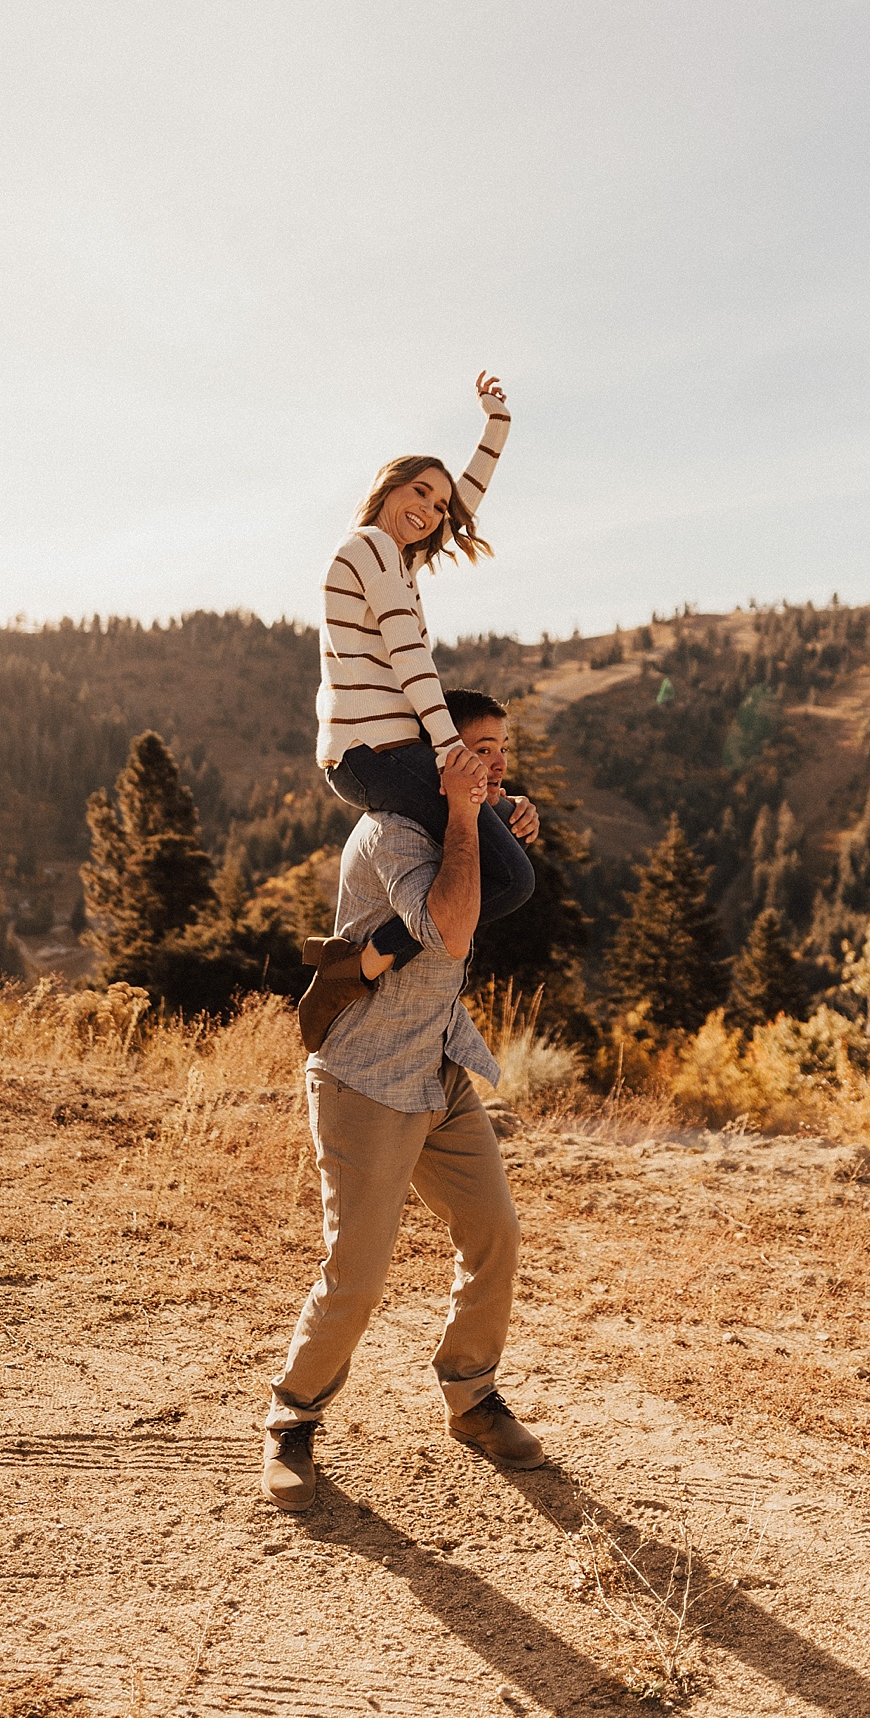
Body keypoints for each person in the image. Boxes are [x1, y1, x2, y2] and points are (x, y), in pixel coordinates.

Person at [264, 733, 546, 1512]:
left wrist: (502, 815)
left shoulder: (468, 818)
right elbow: (450, 928)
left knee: (494, 1232)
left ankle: (472, 1398)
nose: (495, 766)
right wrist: (470, 814)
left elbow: (500, 886)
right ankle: (292, 1419)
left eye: (503, 753)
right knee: (357, 1268)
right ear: (439, 761)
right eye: (480, 750)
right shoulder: (391, 829)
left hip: (438, 1066)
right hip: (366, 1079)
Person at [314, 372, 536, 997]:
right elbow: (410, 655)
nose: (432, 510)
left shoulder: (396, 558)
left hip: (390, 752)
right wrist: (449, 751)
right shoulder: (369, 548)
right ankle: (355, 967)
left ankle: (364, 959)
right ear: (389, 487)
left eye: (440, 505)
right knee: (511, 881)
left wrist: (496, 428)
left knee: (500, 857)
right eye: (420, 491)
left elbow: (464, 502)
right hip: (374, 755)